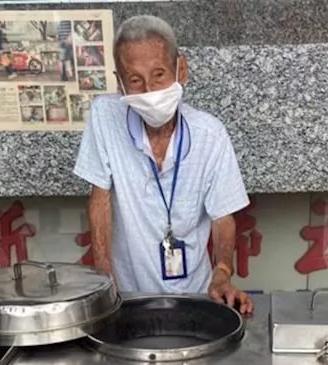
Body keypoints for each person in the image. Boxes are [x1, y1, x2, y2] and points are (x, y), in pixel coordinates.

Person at [73, 15, 253, 314]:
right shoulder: (105, 117)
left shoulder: (210, 134)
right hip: (128, 294)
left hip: (195, 294)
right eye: (135, 80)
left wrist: (222, 273)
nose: (149, 91)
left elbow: (223, 217)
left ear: (180, 69)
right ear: (120, 83)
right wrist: (105, 275)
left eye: (159, 75)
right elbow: (99, 197)